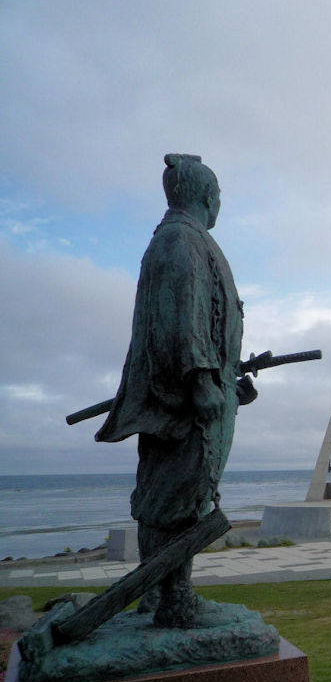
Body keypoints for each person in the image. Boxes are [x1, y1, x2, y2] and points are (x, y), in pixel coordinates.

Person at [96, 154, 257, 628]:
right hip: (183, 401)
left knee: (173, 495)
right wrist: (202, 381)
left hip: (197, 389)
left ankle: (158, 592)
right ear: (207, 196)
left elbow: (201, 319)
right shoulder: (181, 239)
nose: (220, 202)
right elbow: (184, 316)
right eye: (219, 194)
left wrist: (228, 382)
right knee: (176, 497)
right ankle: (175, 598)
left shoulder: (182, 238)